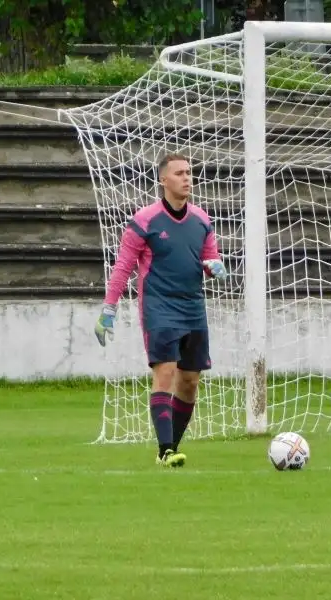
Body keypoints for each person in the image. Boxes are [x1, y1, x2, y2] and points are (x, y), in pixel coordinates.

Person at [93, 153, 227, 467]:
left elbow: (210, 259)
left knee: (190, 381)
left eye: (189, 172)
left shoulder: (201, 220)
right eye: (179, 173)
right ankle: (166, 449)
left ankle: (168, 449)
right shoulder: (144, 221)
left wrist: (216, 267)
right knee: (166, 372)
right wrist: (108, 309)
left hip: (193, 307)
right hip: (159, 307)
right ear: (163, 180)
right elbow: (123, 267)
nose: (186, 178)